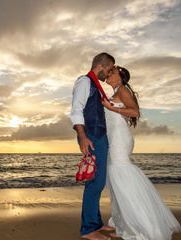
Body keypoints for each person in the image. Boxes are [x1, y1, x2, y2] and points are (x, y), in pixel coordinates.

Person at [101, 66, 181, 239]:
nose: (109, 73)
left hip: (120, 139)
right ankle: (124, 223)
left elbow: (134, 111)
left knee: (121, 176)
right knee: (117, 180)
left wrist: (111, 107)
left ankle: (139, 224)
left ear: (121, 77)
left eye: (113, 72)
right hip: (114, 138)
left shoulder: (122, 90)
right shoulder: (117, 91)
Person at [70, 52, 115, 240]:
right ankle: (88, 229)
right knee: (95, 183)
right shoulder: (84, 81)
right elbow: (76, 110)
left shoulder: (95, 85)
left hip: (98, 136)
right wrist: (82, 136)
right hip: (92, 137)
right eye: (110, 69)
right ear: (101, 66)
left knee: (98, 182)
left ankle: (95, 223)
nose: (110, 72)